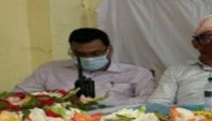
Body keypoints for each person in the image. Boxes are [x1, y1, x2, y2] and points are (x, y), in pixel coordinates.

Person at [15, 28, 155, 105]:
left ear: (109, 50)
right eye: (81, 54)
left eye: (95, 53)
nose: (88, 58)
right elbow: (17, 97)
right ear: (72, 51)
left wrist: (106, 104)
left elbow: (151, 102)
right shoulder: (50, 70)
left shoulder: (137, 73)